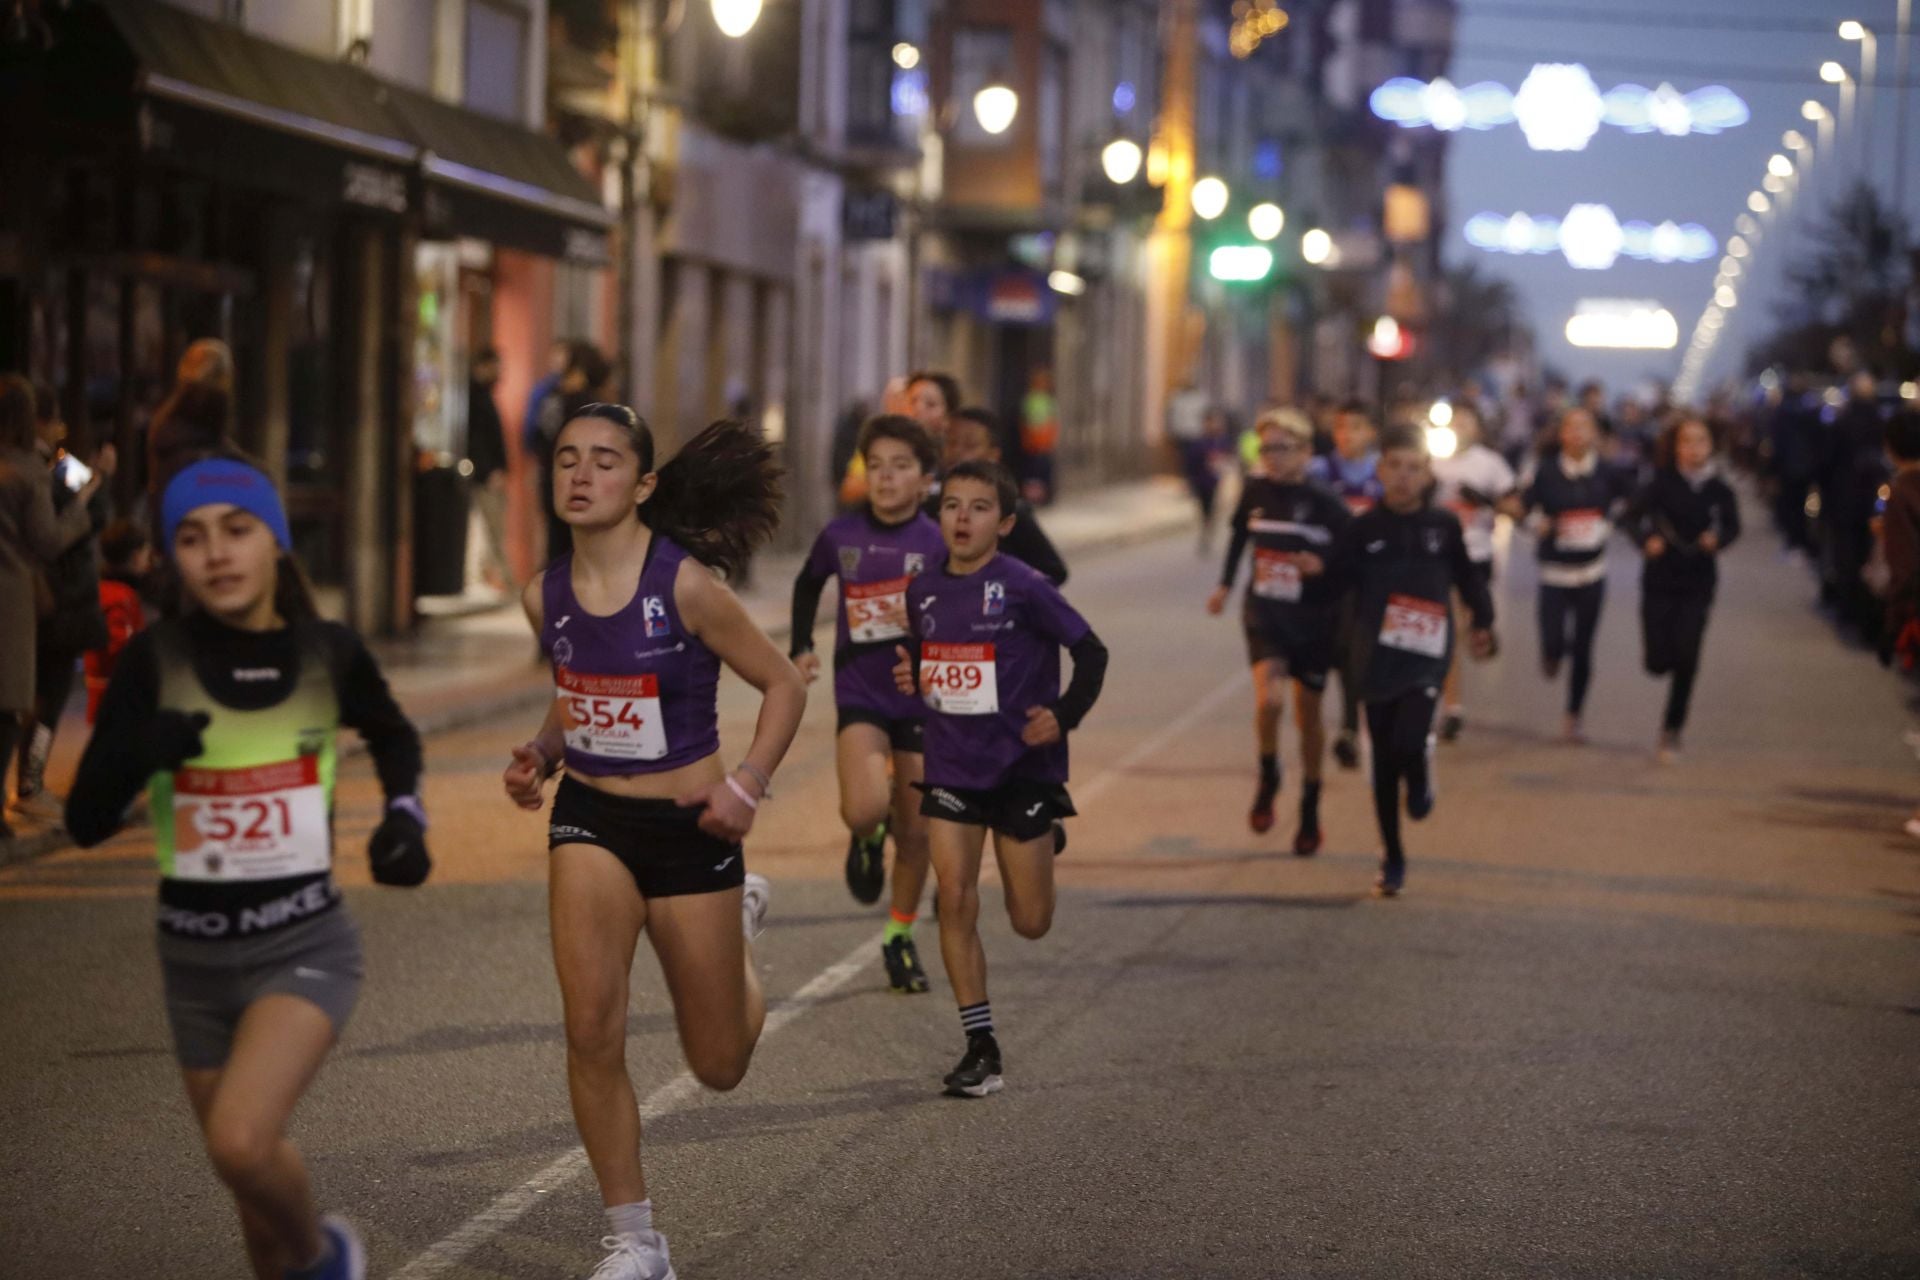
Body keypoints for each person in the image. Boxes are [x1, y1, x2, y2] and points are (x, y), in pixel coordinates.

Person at [65, 456, 431, 1280]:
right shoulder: (153, 661)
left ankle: (326, 1257)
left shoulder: (327, 653)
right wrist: (136, 752)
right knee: (248, 1193)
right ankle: (293, 1257)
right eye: (191, 538)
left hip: (303, 944)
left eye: (237, 530)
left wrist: (405, 814)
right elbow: (85, 820)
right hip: (191, 961)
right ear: (171, 558)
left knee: (240, 1139)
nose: (216, 554)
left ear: (275, 543)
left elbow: (394, 733)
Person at [500, 404, 804, 1279]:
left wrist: (746, 785)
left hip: (691, 827)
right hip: (591, 820)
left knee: (718, 1065)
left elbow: (782, 684)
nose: (580, 475)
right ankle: (636, 1243)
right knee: (591, 1028)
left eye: (603, 461)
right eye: (566, 460)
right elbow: (580, 684)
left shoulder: (687, 587)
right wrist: (544, 752)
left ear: (642, 486)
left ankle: (737, 938)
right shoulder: (542, 593)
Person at [891, 459, 1108, 1097]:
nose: (962, 517)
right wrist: (916, 678)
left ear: (1005, 522)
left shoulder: (1025, 585)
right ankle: (980, 1045)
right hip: (953, 766)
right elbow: (932, 663)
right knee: (953, 895)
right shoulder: (923, 589)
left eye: (979, 507)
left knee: (1030, 920)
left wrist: (1063, 717)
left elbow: (1091, 651)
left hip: (1022, 771)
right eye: (952, 505)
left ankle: (1043, 843)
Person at [790, 415, 946, 992]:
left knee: (919, 833)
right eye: (874, 465)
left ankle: (898, 939)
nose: (885, 478)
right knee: (864, 807)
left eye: (900, 467)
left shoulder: (938, 541)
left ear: (926, 480)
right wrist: (801, 645)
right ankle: (865, 837)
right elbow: (808, 584)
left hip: (923, 700)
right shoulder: (841, 536)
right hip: (860, 689)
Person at [1318, 425, 1495, 897]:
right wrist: (1316, 574)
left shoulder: (1443, 526)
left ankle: (1419, 778)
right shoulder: (1362, 530)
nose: (1402, 476)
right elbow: (1331, 589)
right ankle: (1392, 854)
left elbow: (1468, 578)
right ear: (1379, 471)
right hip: (1374, 657)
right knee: (1383, 764)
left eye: (1413, 467)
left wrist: (1484, 619)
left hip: (1427, 655)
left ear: (1426, 473)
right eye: (1394, 466)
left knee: (1409, 739)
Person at [1207, 408, 1351, 851]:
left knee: (1308, 716)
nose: (1272, 456)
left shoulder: (1326, 501)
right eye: (1265, 447)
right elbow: (1237, 538)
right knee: (1269, 701)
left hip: (1313, 619)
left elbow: (1352, 558)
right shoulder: (1254, 490)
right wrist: (1226, 585)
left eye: (1282, 448)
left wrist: (1321, 565)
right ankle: (1269, 774)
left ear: (1306, 452)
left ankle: (1309, 804)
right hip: (1265, 611)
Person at [0, 375, 112, 838]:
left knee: (38, 695)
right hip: (54, 601)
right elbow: (86, 514)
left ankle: (30, 781)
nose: (60, 429)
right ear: (38, 421)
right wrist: (97, 477)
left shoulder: (46, 464)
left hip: (47, 600)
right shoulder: (44, 467)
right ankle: (30, 783)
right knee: (40, 696)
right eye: (55, 420)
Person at [1626, 415, 1741, 763]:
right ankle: (1661, 662)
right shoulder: (1659, 483)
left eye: (1701, 441)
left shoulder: (1719, 489)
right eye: (1687, 441)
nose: (1695, 448)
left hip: (1698, 582)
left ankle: (1672, 727)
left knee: (1688, 657)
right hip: (1659, 580)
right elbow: (1631, 517)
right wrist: (1646, 540)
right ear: (1675, 446)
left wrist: (1717, 539)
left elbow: (1733, 526)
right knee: (1657, 661)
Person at [1520, 407, 1633, 744]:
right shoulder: (1544, 471)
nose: (1578, 434)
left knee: (1584, 648)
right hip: (1554, 572)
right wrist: (1535, 525)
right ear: (1561, 434)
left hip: (1591, 572)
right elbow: (1522, 509)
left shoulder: (1610, 473)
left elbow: (1631, 503)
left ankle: (1574, 715)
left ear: (1596, 435)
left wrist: (1609, 525)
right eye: (1571, 427)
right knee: (1554, 641)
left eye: (1585, 428)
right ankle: (1552, 655)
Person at [1429, 401, 1517, 741]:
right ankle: (1452, 708)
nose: (1459, 428)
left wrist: (1484, 500)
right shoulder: (1430, 460)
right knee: (1446, 630)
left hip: (1477, 555)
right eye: (1454, 422)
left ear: (1477, 428)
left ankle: (1482, 628)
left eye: (1466, 422)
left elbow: (1515, 506)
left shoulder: (1489, 463)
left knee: (1465, 630)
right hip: (1437, 557)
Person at [1308, 402, 1384, 769]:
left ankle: (1352, 728)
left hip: (1368, 579)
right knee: (1332, 652)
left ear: (1370, 431)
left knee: (1358, 651)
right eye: (1340, 428)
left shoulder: (1383, 471)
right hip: (1327, 577)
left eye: (1355, 427)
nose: (1346, 435)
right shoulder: (1320, 471)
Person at [941, 407, 1069, 585]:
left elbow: (1053, 571)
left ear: (993, 454)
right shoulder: (930, 506)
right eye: (951, 443)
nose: (957, 452)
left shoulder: (1013, 512)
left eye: (970, 446)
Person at [533, 343, 614, 566]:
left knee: (557, 539)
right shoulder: (584, 403)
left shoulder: (552, 396)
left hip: (552, 475)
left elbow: (538, 435)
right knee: (572, 541)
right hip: (569, 479)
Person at [85, 518, 153, 723]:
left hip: (104, 690)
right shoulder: (121, 597)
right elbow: (121, 646)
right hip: (116, 694)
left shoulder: (103, 590)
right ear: (135, 557)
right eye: (146, 555)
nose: (148, 562)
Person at [465, 346, 517, 595]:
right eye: (496, 367)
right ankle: (503, 581)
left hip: (487, 473)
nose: (499, 373)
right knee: (492, 527)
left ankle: (493, 578)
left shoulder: (482, 394)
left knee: (490, 528)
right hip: (484, 474)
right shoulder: (474, 396)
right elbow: (476, 439)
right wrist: (489, 470)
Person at [1166, 380, 1220, 545]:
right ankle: (1206, 525)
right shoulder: (1178, 399)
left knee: (1210, 504)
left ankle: (1208, 526)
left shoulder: (1217, 441)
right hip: (1187, 439)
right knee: (1203, 504)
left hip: (1211, 479)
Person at [1019, 366, 1060, 505]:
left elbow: (1053, 422)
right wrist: (1028, 439)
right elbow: (1025, 422)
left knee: (1044, 471)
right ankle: (1031, 497)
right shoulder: (1030, 399)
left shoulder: (1049, 401)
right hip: (1033, 443)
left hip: (1045, 443)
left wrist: (1050, 440)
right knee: (1032, 472)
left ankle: (1044, 497)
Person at [905, 371, 963, 451]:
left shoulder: (951, 454)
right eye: (913, 401)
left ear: (948, 415)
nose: (918, 409)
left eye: (930, 404)